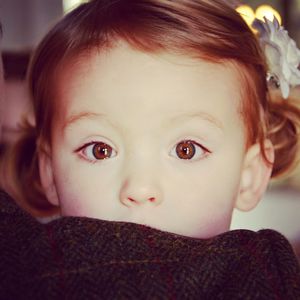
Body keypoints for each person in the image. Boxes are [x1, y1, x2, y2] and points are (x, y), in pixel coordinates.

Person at [0, 1, 300, 298]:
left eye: (186, 150)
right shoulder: (30, 274)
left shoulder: (269, 273)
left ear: (248, 176)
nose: (140, 189)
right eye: (99, 150)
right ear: (50, 172)